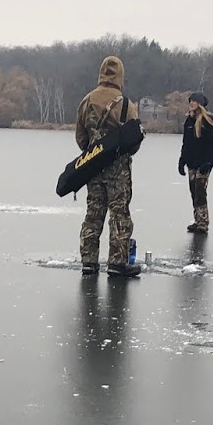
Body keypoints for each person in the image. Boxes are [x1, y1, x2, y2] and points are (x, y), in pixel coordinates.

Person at [74, 55, 141, 278]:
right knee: (119, 214)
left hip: (93, 167)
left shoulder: (86, 101)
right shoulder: (126, 104)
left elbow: (81, 138)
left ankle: (89, 261)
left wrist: (93, 152)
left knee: (93, 214)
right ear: (120, 75)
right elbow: (134, 141)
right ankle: (117, 262)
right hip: (118, 169)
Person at [178, 92, 213, 233]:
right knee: (193, 191)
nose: (191, 104)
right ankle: (197, 219)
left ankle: (203, 221)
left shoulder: (208, 120)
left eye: (194, 101)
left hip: (204, 163)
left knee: (200, 191)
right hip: (192, 162)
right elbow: (186, 143)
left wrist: (208, 162)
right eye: (190, 101)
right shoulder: (189, 121)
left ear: (200, 103)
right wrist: (182, 160)